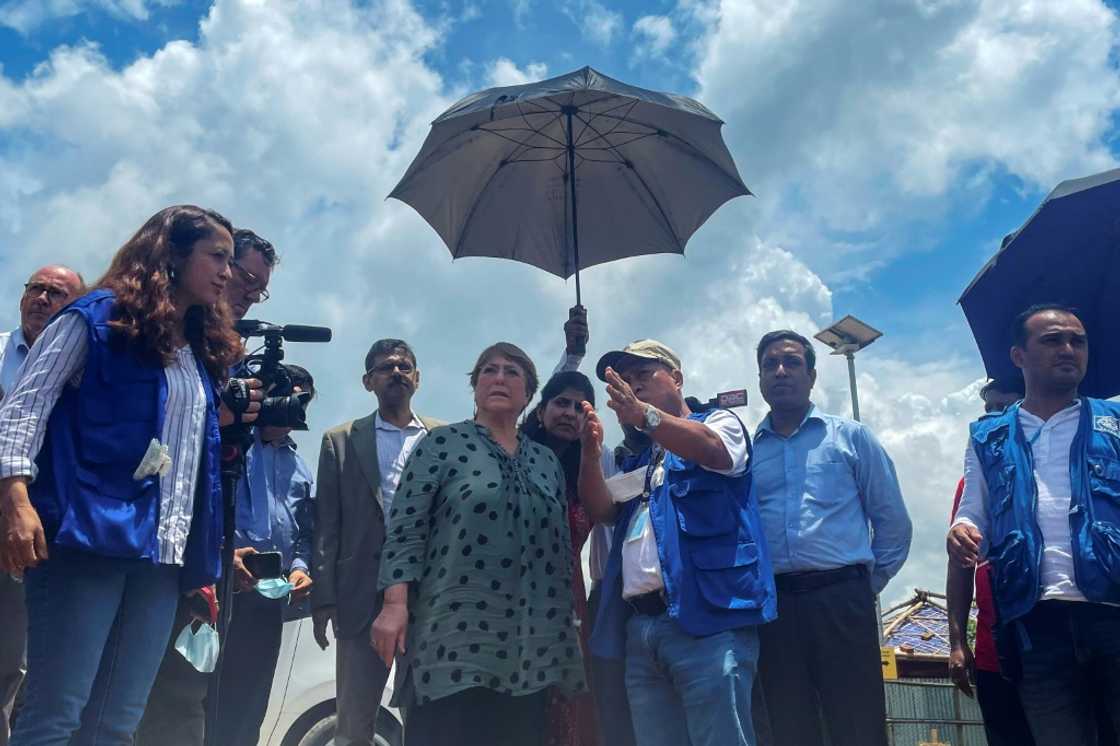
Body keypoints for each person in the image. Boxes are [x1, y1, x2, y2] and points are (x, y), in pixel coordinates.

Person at [0, 205, 240, 745]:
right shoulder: (93, 319)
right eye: (217, 257)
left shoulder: (194, 350)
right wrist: (15, 500)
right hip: (85, 540)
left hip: (160, 557)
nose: (228, 272)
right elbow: (22, 409)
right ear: (174, 256)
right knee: (55, 713)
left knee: (116, 723)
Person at [372, 343, 586, 746]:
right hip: (453, 634)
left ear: (528, 396)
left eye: (512, 372)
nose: (499, 378)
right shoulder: (442, 444)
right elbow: (405, 528)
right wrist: (394, 604)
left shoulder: (545, 462)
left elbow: (559, 553)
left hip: (530, 642)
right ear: (474, 387)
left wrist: (564, 626)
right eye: (489, 370)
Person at [577, 339, 775, 746]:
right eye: (626, 380)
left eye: (643, 375)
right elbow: (602, 510)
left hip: (710, 623)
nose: (633, 386)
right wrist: (589, 454)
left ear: (678, 379)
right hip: (642, 629)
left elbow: (714, 451)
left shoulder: (721, 422)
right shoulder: (639, 460)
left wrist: (645, 416)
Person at [948, 304, 1120, 744]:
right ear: (1018, 356)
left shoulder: (1115, 420)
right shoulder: (987, 437)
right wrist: (961, 530)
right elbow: (973, 511)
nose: (1068, 349)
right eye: (1052, 340)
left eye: (1077, 341)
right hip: (1033, 621)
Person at [135, 226, 275, 746]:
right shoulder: (170, 339)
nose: (245, 292)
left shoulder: (233, 354)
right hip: (151, 538)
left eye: (260, 289)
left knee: (189, 689)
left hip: (207, 547)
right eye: (242, 276)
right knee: (141, 684)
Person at [751, 329, 911, 746]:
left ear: (812, 376)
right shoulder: (748, 452)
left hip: (842, 600)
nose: (781, 372)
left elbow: (893, 524)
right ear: (760, 379)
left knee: (856, 721)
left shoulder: (851, 436)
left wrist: (864, 587)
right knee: (788, 723)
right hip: (776, 608)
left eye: (792, 363)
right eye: (770, 365)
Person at [311, 339, 441, 746]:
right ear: (369, 381)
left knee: (429, 716)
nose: (396, 373)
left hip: (431, 594)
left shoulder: (444, 437)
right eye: (386, 368)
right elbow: (327, 526)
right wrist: (323, 598)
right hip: (361, 596)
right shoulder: (342, 440)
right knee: (354, 722)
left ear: (417, 378)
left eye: (404, 367)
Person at [208, 364, 317, 746]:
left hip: (269, 598)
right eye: (285, 395)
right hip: (218, 586)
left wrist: (302, 568)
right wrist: (224, 553)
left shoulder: (300, 467)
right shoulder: (231, 444)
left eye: (301, 400)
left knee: (250, 703)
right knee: (201, 694)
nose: (291, 406)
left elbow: (306, 534)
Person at [0, 265, 85, 746]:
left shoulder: (80, 369)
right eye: (36, 288)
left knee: (11, 662)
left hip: (39, 530)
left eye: (57, 293)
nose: (43, 298)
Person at [946, 377, 1034, 746]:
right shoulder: (971, 484)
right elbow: (959, 564)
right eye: (988, 410)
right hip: (993, 653)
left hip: (1060, 642)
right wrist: (956, 643)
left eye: (1003, 407)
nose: (992, 418)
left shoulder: (1061, 471)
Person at [521, 371, 600, 746]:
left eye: (580, 408)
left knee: (569, 708)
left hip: (570, 602)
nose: (570, 413)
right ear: (541, 411)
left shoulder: (587, 470)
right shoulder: (511, 456)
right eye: (561, 403)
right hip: (516, 599)